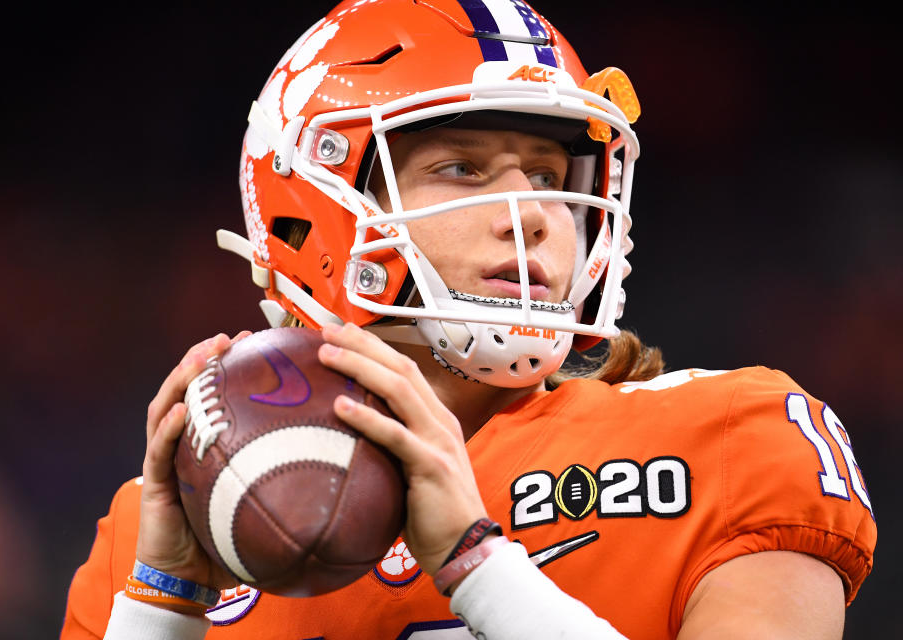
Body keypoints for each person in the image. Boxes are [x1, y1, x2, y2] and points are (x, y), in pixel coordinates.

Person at [61, 1, 876, 638]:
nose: (532, 214)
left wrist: (477, 566)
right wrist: (160, 608)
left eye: (552, 175)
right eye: (464, 168)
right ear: (311, 213)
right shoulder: (160, 521)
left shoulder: (733, 437)